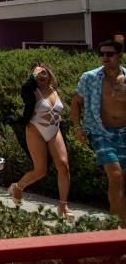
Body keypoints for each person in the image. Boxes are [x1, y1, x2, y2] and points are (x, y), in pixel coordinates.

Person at [70, 40, 126, 228]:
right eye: (101, 54)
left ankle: (115, 225)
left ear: (120, 56)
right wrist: (78, 128)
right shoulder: (90, 78)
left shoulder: (125, 79)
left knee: (120, 181)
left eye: (109, 54)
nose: (104, 57)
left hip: (124, 132)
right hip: (101, 132)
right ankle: (120, 229)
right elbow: (76, 102)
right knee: (115, 175)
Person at [10, 63, 71, 217]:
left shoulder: (55, 91)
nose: (42, 76)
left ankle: (63, 206)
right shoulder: (31, 91)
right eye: (38, 74)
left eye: (44, 73)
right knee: (40, 171)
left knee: (63, 165)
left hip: (54, 130)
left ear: (50, 75)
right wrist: (33, 76)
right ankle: (18, 187)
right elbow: (25, 88)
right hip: (35, 130)